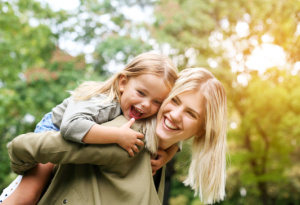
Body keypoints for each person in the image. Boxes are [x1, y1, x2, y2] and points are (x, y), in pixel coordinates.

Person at [6, 68, 227, 204]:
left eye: (190, 113)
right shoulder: (126, 137)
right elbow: (23, 146)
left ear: (201, 130)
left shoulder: (158, 155)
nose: (176, 115)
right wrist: (28, 173)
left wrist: (169, 153)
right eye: (175, 101)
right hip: (59, 125)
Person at [0, 52, 179, 205]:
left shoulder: (145, 112)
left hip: (80, 132)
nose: (146, 105)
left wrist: (168, 154)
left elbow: (176, 133)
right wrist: (117, 136)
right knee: (29, 195)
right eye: (141, 93)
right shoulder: (103, 104)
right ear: (123, 82)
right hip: (55, 127)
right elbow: (70, 127)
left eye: (157, 102)